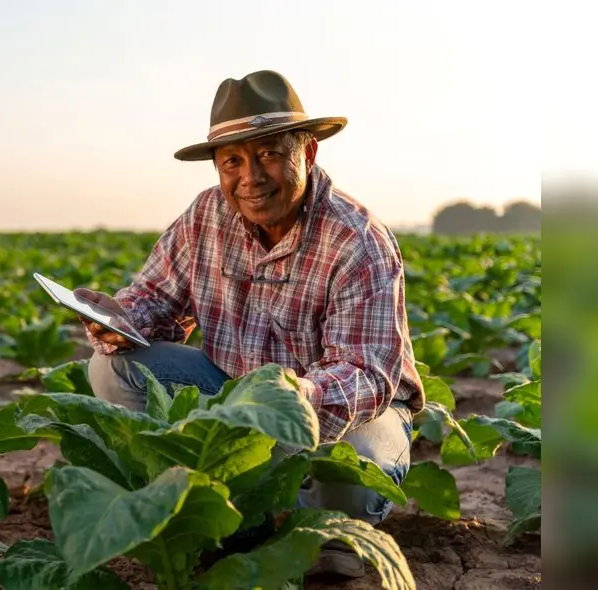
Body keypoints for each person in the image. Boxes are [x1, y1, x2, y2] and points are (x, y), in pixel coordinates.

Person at [74, 69, 425, 578]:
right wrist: (120, 319)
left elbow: (367, 374)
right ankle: (223, 513)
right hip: (234, 398)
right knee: (114, 369)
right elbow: (154, 295)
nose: (250, 177)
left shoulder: (357, 240)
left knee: (340, 521)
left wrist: (289, 397)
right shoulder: (205, 216)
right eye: (232, 161)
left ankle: (319, 526)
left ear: (307, 154)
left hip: (333, 410)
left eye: (268, 155)